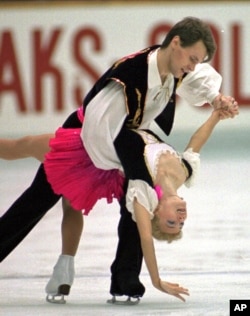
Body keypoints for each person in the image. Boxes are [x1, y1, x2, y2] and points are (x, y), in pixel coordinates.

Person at [0, 16, 239, 304]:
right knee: (36, 199)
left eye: (196, 61)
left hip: (121, 152)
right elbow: (97, 131)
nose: (191, 66)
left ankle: (125, 282)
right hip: (84, 143)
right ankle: (68, 263)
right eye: (191, 58)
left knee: (136, 204)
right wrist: (132, 164)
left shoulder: (175, 66)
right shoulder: (127, 79)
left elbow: (197, 81)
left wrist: (215, 100)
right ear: (175, 42)